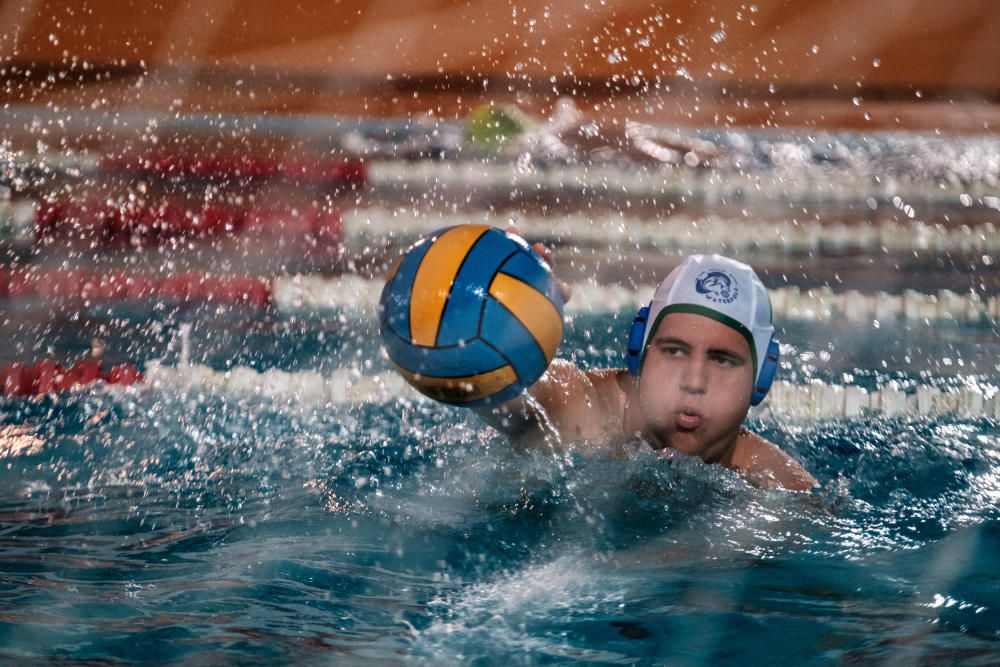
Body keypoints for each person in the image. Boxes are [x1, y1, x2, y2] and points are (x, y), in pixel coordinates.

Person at [477, 251, 818, 492]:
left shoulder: (781, 486)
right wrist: (501, 341)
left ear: (761, 379)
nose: (693, 382)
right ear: (640, 352)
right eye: (673, 351)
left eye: (722, 360)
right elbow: (512, 394)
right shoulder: (586, 407)